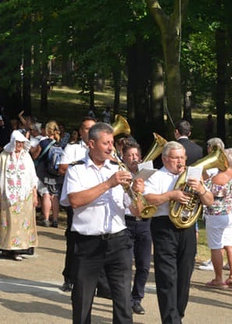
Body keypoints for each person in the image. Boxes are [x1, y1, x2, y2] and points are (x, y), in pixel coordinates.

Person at [64, 122, 146, 323]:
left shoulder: (120, 168)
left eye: (112, 142)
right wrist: (109, 183)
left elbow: (137, 211)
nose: (111, 147)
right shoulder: (77, 170)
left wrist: (138, 194)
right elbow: (74, 200)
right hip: (87, 244)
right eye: (106, 143)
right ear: (91, 144)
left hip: (118, 242)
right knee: (82, 300)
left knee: (123, 301)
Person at [145, 140, 214, 324]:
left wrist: (200, 189)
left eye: (183, 157)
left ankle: (178, 316)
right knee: (167, 277)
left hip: (188, 228)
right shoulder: (156, 176)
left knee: (184, 276)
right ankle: (171, 320)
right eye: (176, 158)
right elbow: (147, 199)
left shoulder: (193, 174)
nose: (180, 162)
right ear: (165, 158)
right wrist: (171, 195)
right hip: (164, 227)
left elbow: (209, 201)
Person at [0, 130, 39, 261]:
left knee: (21, 223)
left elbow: (33, 178)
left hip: (24, 196)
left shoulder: (26, 156)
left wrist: (35, 195)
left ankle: (19, 249)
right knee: (7, 223)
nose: (19, 145)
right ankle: (6, 249)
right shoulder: (4, 156)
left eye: (22, 142)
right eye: (17, 142)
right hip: (7, 196)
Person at [58, 116, 96, 292]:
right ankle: (69, 276)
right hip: (78, 196)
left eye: (93, 129)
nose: (90, 132)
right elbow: (62, 168)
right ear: (81, 132)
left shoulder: (105, 150)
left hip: (97, 199)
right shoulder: (73, 148)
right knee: (74, 239)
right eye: (87, 129)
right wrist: (82, 169)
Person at [120, 138, 153, 315]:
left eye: (136, 155)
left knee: (144, 265)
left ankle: (136, 298)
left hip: (145, 223)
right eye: (130, 155)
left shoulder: (148, 175)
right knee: (125, 265)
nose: (134, 158)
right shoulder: (120, 175)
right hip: (126, 222)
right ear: (123, 158)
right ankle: (124, 299)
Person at [202, 147, 232, 289]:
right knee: (230, 245)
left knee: (216, 247)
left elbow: (206, 192)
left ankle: (218, 278)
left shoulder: (220, 176)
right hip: (229, 213)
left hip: (216, 215)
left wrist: (202, 177)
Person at [32, 120, 62, 228]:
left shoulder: (43, 143)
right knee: (55, 196)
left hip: (43, 172)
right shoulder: (61, 143)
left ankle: (45, 219)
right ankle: (55, 220)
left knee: (46, 194)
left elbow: (35, 156)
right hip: (56, 173)